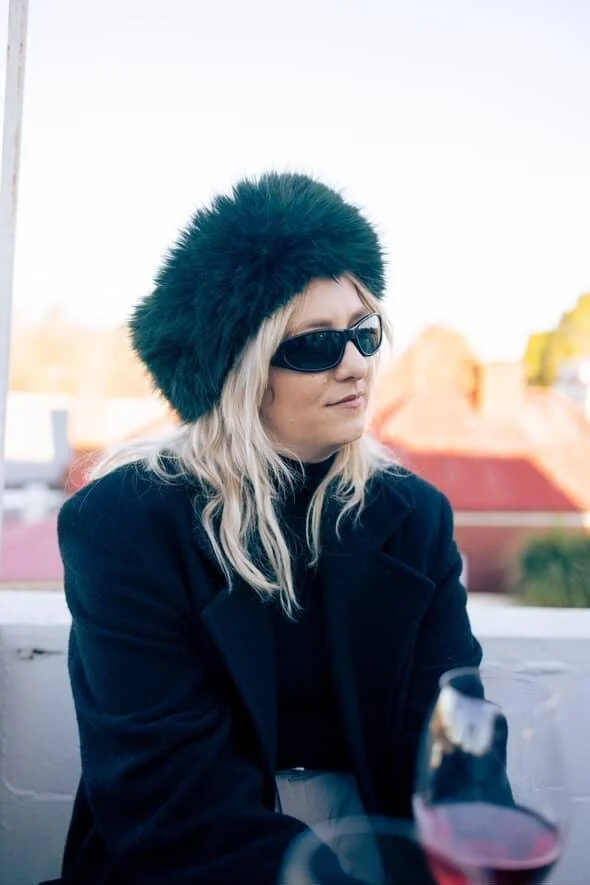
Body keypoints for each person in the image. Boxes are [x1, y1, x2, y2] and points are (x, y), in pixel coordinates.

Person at [52, 172, 482, 885]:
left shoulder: (414, 518)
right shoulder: (125, 523)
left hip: (381, 849)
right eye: (313, 345)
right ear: (241, 371)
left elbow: (450, 743)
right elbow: (171, 807)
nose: (355, 364)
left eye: (363, 332)